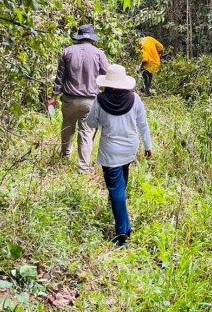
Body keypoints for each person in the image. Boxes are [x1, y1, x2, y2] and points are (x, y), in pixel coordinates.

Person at [86, 64, 152, 247]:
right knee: (121, 182)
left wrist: (103, 122)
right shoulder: (135, 99)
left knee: (116, 190)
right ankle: (122, 216)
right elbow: (143, 124)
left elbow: (91, 122)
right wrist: (148, 146)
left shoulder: (100, 100)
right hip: (130, 148)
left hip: (110, 150)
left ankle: (122, 233)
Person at [50, 23, 109, 173]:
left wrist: (53, 97)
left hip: (69, 100)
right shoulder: (99, 54)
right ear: (92, 39)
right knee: (86, 132)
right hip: (90, 101)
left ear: (79, 37)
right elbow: (107, 76)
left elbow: (60, 78)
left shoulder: (67, 52)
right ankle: (83, 167)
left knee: (67, 127)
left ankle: (64, 156)